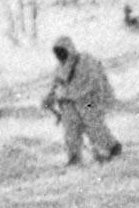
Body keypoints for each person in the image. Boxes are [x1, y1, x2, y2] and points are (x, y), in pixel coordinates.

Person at [42, 36, 121, 165]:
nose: (60, 56)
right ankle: (74, 156)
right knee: (70, 130)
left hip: (88, 101)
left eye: (62, 52)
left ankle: (111, 147)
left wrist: (74, 94)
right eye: (57, 53)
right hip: (69, 103)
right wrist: (49, 98)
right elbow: (56, 85)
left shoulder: (84, 62)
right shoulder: (60, 68)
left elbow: (93, 81)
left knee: (94, 125)